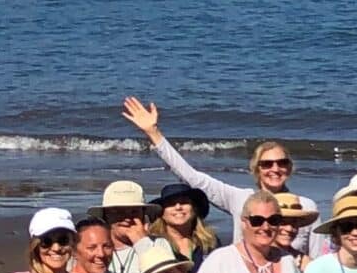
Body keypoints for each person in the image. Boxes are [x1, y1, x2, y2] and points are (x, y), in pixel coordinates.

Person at [119, 97, 295, 233]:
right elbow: (191, 177)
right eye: (267, 164)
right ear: (256, 169)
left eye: (282, 163)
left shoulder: (305, 207)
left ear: (289, 167)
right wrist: (153, 133)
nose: (275, 169)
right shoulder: (239, 199)